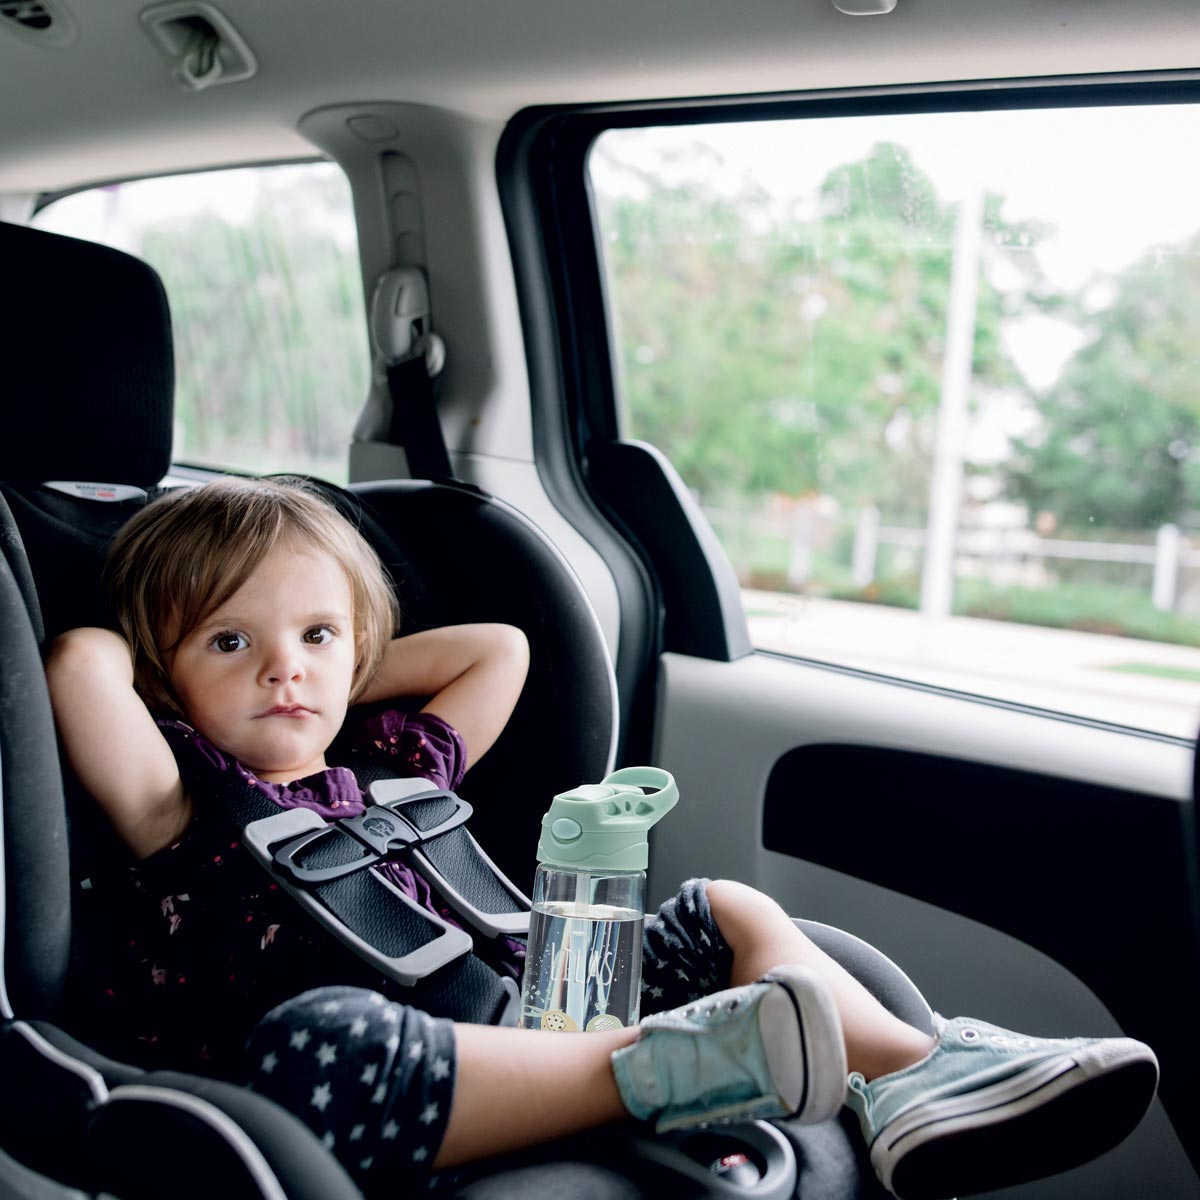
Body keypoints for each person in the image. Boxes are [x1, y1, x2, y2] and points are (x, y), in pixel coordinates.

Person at [45, 476, 1159, 1200]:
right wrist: (179, 666)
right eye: (232, 642)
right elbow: (81, 664)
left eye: (315, 635)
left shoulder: (398, 764)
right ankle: (701, 1060)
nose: (283, 666)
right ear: (167, 680)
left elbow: (499, 650)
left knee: (726, 906)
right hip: (409, 1061)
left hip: (541, 995)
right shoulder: (181, 805)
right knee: (315, 1043)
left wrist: (333, 666)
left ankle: (915, 1076)